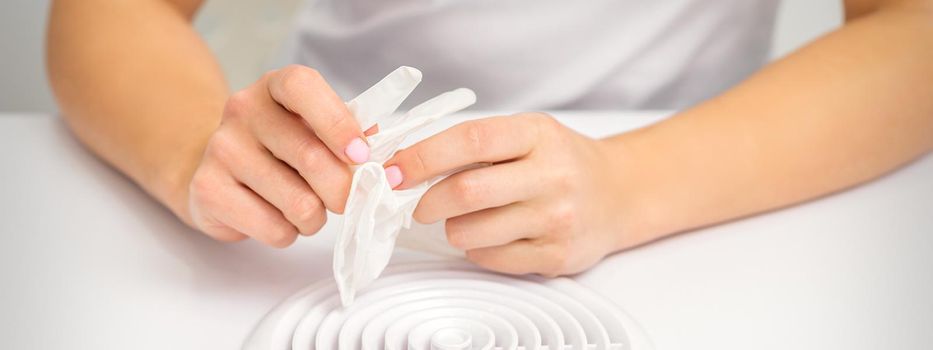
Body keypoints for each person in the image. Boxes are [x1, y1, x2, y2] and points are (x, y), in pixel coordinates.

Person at [47, 0, 933, 276]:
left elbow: (912, 35)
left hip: (710, 188)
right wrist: (197, 144)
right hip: (313, 209)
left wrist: (631, 184)